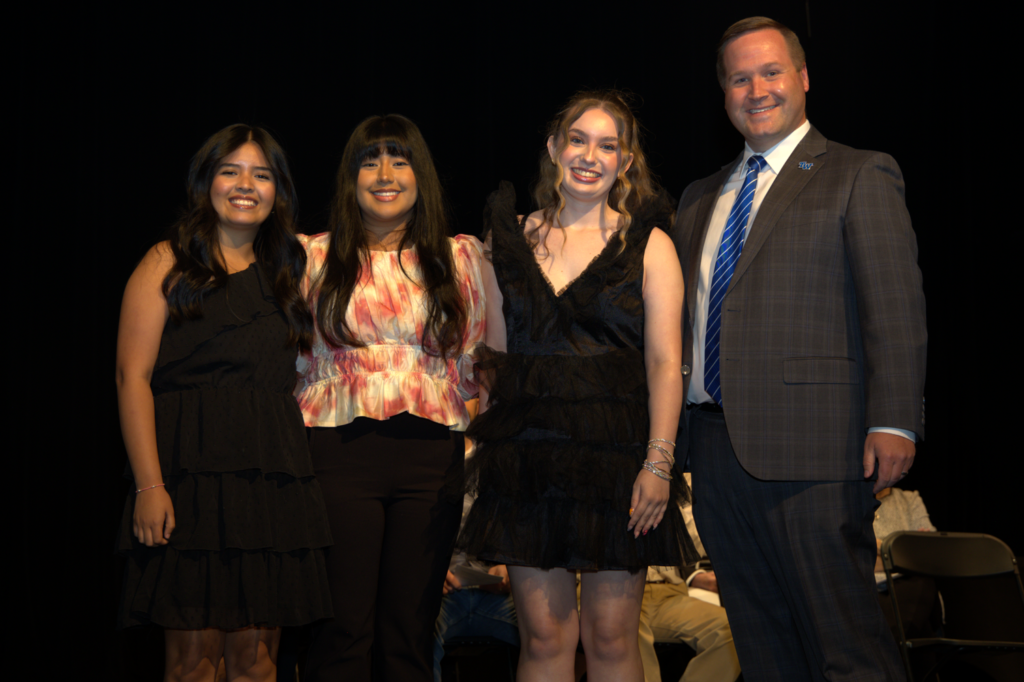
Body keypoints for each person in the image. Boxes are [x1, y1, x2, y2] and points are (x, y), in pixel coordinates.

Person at [671, 16, 927, 681]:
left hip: (816, 451)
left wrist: (893, 418)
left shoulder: (859, 173)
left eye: (771, 71)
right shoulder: (698, 199)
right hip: (714, 457)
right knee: (763, 652)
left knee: (847, 649)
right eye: (738, 77)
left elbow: (893, 308)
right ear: (723, 93)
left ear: (804, 78)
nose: (756, 89)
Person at [459, 90, 698, 682]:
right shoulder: (506, 241)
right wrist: (488, 465)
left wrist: (659, 463)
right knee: (543, 637)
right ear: (554, 148)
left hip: (619, 464)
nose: (590, 155)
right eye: (578, 140)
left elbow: (667, 364)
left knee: (612, 638)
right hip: (527, 463)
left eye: (607, 145)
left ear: (625, 161)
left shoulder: (651, 245)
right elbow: (495, 362)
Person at [115, 124, 333, 682]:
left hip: (271, 483)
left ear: (277, 191)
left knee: (257, 663)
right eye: (230, 171)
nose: (245, 185)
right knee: (193, 662)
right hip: (185, 478)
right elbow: (130, 378)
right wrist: (149, 486)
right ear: (205, 181)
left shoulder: (292, 271)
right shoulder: (167, 261)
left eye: (261, 174)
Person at [296, 114, 488, 682]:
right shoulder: (312, 257)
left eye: (399, 159)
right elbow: (292, 364)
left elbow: (477, 358)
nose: (384, 173)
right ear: (349, 178)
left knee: (409, 633)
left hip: (431, 459)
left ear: (420, 175)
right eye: (369, 160)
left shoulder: (460, 259)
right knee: (342, 632)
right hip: (337, 454)